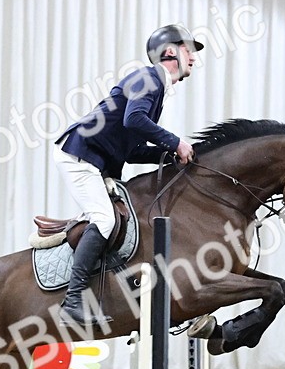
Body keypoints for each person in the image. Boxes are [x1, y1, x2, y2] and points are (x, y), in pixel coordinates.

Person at [52, 24, 203, 327]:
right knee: (105, 220)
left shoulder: (154, 86)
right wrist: (175, 143)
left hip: (94, 159)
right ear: (170, 51)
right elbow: (134, 119)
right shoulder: (149, 78)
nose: (194, 58)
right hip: (80, 156)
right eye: (189, 50)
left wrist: (169, 156)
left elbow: (132, 151)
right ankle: (73, 301)